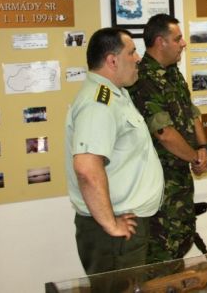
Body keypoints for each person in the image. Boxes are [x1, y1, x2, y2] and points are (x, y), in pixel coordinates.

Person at [65, 27, 164, 275]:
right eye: (131, 52)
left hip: (126, 223)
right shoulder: (99, 103)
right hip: (115, 233)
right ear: (112, 61)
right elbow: (86, 169)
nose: (138, 58)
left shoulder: (116, 93)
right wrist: (111, 225)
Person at [128, 14, 207, 263]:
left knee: (181, 242)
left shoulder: (173, 72)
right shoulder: (143, 78)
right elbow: (163, 133)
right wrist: (194, 157)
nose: (183, 43)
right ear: (160, 42)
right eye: (178, 39)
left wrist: (203, 147)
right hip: (160, 183)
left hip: (180, 178)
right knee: (161, 252)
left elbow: (191, 111)